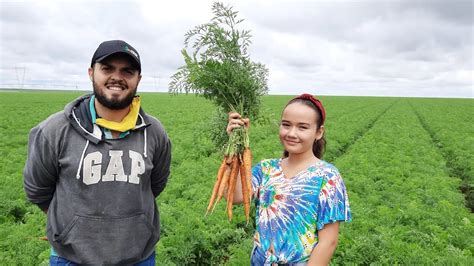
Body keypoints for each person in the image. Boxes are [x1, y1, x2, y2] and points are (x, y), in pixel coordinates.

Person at [23, 40, 172, 265]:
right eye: (107, 68)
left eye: (127, 71)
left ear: (138, 80)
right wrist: (72, 228)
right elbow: (38, 190)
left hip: (138, 258)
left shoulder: (154, 132)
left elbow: (156, 185)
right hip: (72, 259)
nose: (117, 77)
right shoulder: (54, 130)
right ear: (91, 73)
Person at [226, 93, 351, 265]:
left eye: (302, 127)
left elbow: (328, 242)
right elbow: (235, 197)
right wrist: (236, 145)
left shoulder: (327, 177)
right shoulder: (266, 169)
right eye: (286, 125)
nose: (292, 133)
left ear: (318, 132)